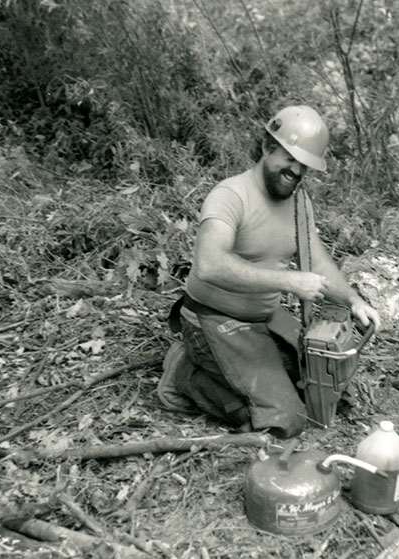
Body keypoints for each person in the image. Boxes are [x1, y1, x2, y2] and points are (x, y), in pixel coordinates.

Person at [158, 105, 381, 438]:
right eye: (290, 158)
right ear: (266, 147)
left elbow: (317, 263)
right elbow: (209, 264)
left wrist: (353, 300)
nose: (296, 170)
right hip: (214, 319)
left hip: (263, 318)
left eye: (305, 165)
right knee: (285, 421)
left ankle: (236, 371)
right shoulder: (230, 195)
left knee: (315, 379)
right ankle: (184, 376)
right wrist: (289, 282)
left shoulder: (298, 202)